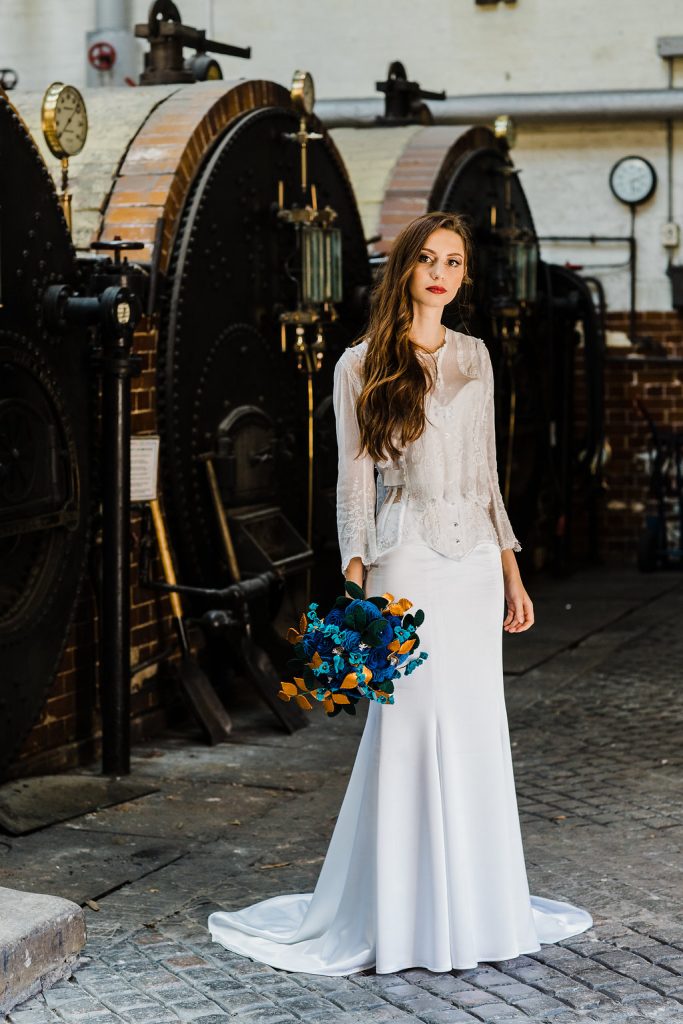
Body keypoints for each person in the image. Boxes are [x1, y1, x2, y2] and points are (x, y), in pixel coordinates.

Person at [208, 211, 593, 975]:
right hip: (404, 557)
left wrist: (513, 573)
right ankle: (401, 915)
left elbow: (486, 478)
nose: (441, 273)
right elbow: (353, 485)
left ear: (462, 277)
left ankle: (477, 913)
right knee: (409, 730)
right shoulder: (359, 363)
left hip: (476, 562)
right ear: (406, 272)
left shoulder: (478, 356)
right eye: (428, 259)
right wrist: (354, 584)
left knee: (476, 728)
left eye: (453, 262)